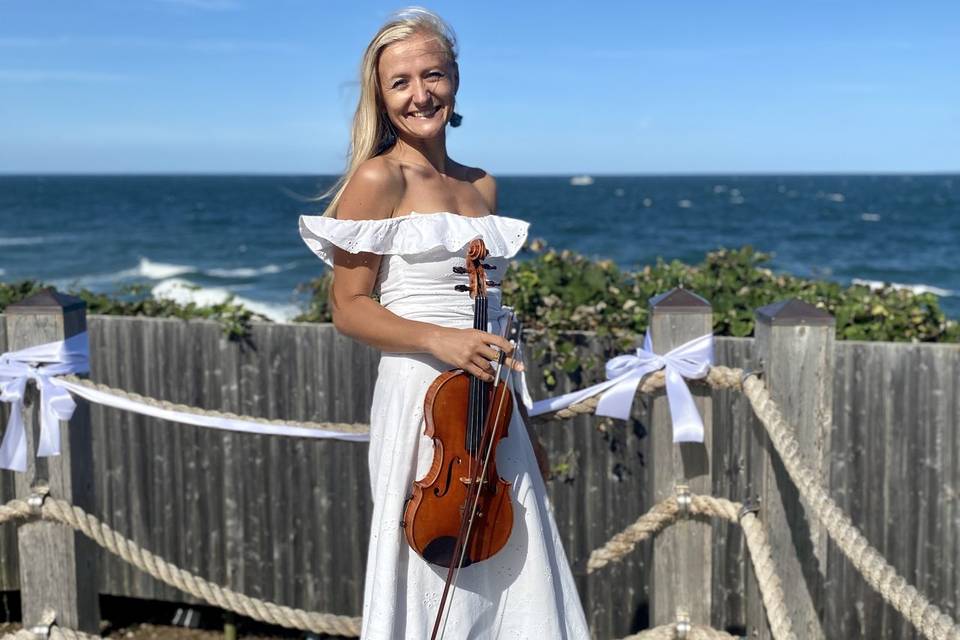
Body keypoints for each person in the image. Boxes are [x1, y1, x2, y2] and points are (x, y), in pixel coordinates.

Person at [299, 8, 589, 639]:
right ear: (381, 94)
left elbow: (492, 317)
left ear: (455, 79)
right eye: (400, 81)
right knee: (433, 572)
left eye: (433, 75)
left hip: (490, 405)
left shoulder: (482, 185)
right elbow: (348, 308)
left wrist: (522, 415)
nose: (419, 94)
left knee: (517, 564)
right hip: (421, 400)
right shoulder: (378, 178)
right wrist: (441, 339)